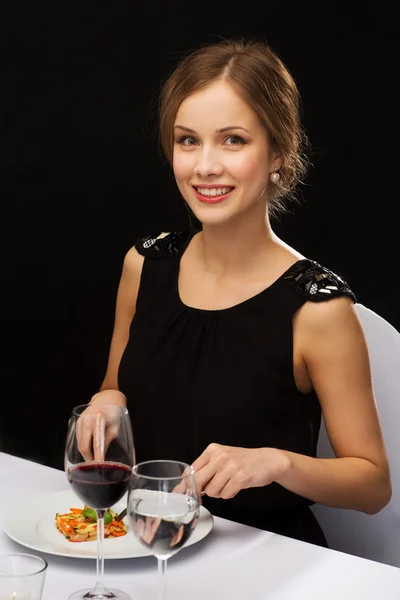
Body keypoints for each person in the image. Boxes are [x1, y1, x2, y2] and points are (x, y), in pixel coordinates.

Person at [78, 38, 391, 547]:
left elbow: (373, 485)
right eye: (187, 140)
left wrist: (276, 463)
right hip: (149, 542)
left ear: (278, 154)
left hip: (263, 557)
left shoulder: (318, 306)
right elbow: (117, 385)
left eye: (232, 140)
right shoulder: (144, 264)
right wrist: (105, 402)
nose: (204, 166)